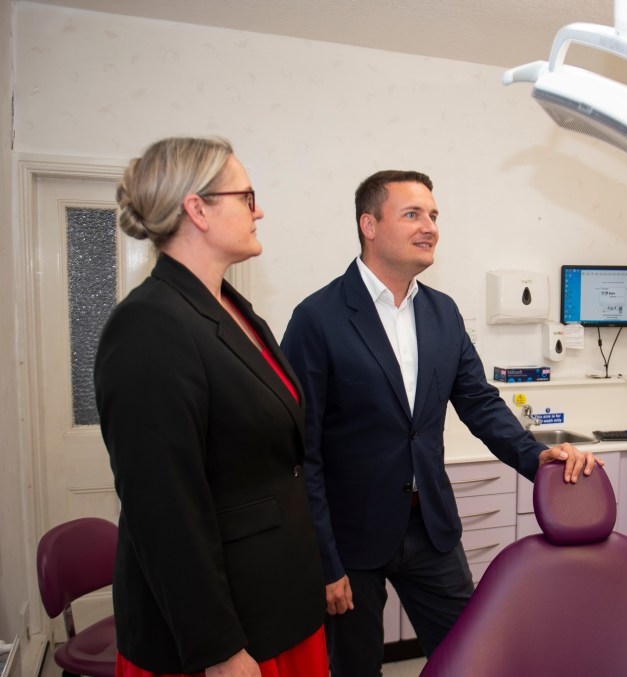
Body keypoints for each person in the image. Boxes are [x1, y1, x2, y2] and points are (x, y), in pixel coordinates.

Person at [281, 169, 600, 676]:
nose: (429, 226)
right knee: (355, 668)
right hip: (350, 537)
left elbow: (479, 402)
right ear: (369, 223)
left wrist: (536, 455)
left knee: (470, 656)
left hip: (428, 525)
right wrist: (322, 557)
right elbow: (301, 450)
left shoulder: (442, 312)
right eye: (413, 214)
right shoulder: (317, 318)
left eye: (433, 215)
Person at [94, 137, 328, 676]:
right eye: (247, 197)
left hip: (276, 603)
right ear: (197, 209)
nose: (259, 210)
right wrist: (216, 648)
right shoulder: (147, 326)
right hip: (220, 633)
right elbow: (163, 508)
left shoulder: (232, 309)